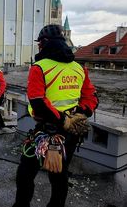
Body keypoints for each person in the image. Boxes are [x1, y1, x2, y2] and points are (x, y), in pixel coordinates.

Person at [13, 24, 98, 207]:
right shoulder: (78, 68)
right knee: (59, 174)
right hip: (71, 133)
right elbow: (91, 98)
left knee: (25, 173)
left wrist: (62, 120)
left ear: (43, 43)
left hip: (46, 132)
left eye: (39, 44)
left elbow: (38, 102)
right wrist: (80, 115)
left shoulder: (39, 67)